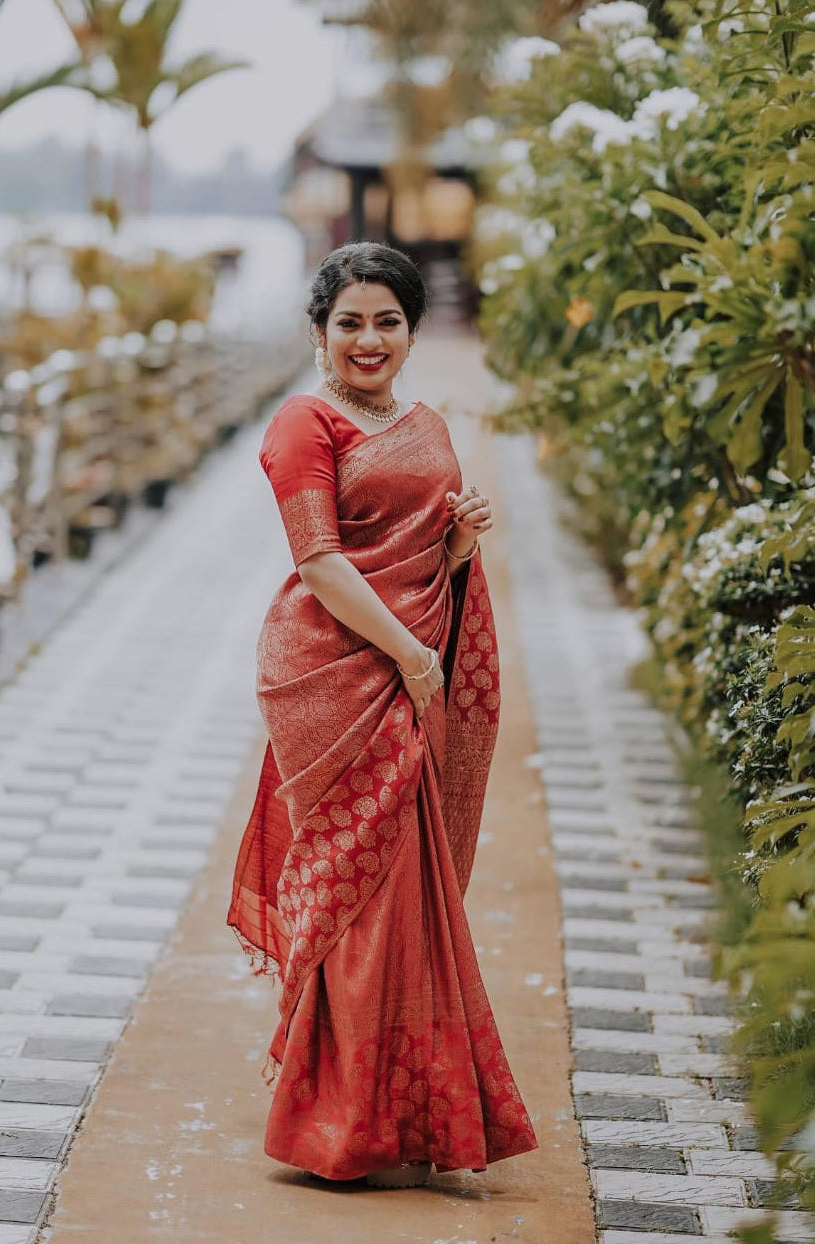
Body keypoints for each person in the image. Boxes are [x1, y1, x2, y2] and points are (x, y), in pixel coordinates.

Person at [227, 241, 538, 1189]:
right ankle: (341, 1122)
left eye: (388, 321)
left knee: (408, 892)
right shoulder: (303, 423)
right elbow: (322, 564)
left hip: (410, 667)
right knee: (357, 894)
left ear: (411, 329)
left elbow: (424, 561)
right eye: (350, 322)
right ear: (319, 333)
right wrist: (407, 655)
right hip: (333, 674)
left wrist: (455, 541)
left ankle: (406, 1110)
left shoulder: (426, 422)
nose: (370, 339)